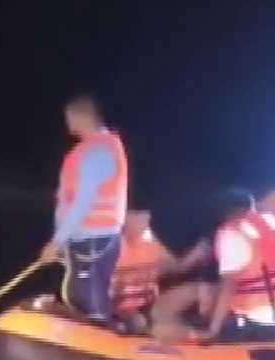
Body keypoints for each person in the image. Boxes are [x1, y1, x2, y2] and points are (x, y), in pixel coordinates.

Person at [39, 94, 128, 323]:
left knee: (89, 301)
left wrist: (57, 241)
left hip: (92, 241)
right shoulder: (106, 146)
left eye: (69, 117)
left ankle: (101, 343)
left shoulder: (96, 152)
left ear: (80, 117)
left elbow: (83, 202)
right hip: (96, 239)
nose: (67, 123)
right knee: (82, 294)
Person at [200, 189, 275, 342]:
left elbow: (228, 287)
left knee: (219, 317)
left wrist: (213, 329)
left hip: (262, 318)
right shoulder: (272, 222)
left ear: (225, 213)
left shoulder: (231, 233)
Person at [110, 210, 216, 339]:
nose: (143, 225)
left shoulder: (152, 246)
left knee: (196, 289)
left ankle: (208, 332)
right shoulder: (112, 248)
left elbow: (176, 267)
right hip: (123, 310)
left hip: (149, 302)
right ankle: (196, 336)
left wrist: (194, 255)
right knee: (152, 327)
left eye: (145, 221)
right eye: (137, 220)